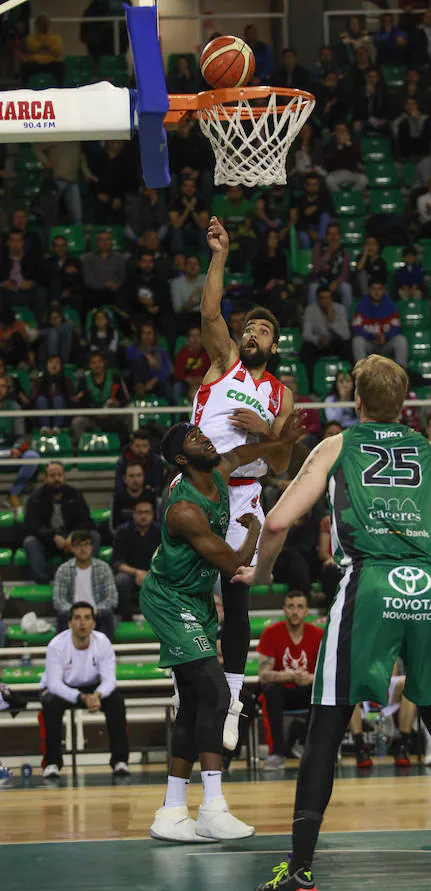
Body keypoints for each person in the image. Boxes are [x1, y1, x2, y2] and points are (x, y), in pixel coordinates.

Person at [234, 355, 431, 891]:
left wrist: (260, 571)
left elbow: (281, 520)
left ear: (357, 402)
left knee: (327, 726)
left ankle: (301, 872)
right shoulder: (430, 451)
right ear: (404, 406)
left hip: (373, 585)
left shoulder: (338, 446)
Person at [141, 416, 301, 842]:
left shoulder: (217, 471)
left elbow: (240, 455)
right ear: (180, 459)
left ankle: (172, 811)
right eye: (194, 437)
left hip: (191, 597)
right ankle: (213, 807)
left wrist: (278, 441)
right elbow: (233, 566)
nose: (204, 438)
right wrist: (253, 529)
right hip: (170, 599)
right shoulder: (185, 509)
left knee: (194, 702)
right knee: (215, 692)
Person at [187, 216, 295, 755]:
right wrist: (219, 256)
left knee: (238, 595)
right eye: (249, 326)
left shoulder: (282, 394)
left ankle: (233, 696)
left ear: (274, 347)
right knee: (189, 591)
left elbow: (281, 462)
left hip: (245, 497)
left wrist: (265, 433)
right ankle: (195, 686)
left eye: (263, 330)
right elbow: (210, 312)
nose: (252, 333)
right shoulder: (223, 361)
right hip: (200, 489)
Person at [40, 601, 129, 779]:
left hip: (93, 687)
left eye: (87, 618)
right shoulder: (56, 645)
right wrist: (81, 697)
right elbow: (55, 684)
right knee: (50, 704)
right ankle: (52, 763)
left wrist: (97, 695)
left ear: (93, 623)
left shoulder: (102, 642)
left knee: (116, 701)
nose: (82, 623)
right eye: (77, 618)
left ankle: (120, 762)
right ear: (69, 623)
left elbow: (110, 679)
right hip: (64, 688)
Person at [258, 591, 324, 770]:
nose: (295, 611)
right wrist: (290, 676)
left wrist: (310, 678)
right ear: (284, 610)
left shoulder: (318, 634)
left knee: (320, 691)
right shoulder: (271, 632)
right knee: (271, 690)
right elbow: (263, 674)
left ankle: (310, 747)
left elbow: (326, 672)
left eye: (300, 607)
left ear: (307, 610)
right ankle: (276, 752)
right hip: (282, 692)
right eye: (291, 606)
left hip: (306, 689)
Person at [24, 462, 100, 585]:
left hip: (73, 540)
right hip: (47, 541)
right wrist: (53, 536)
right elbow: (32, 525)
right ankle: (42, 581)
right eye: (52, 475)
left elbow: (86, 520)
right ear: (45, 478)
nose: (56, 479)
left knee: (95, 536)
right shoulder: (35, 498)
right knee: (30, 542)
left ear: (64, 476)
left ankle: (87, 577)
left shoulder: (75, 494)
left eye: (59, 475)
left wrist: (75, 535)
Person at [53, 530, 118, 639]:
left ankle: (103, 654)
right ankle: (65, 655)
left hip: (97, 615)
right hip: (73, 615)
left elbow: (112, 598)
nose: (82, 549)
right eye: (78, 545)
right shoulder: (63, 570)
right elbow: (58, 600)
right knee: (62, 616)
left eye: (86, 544)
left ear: (92, 547)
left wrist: (92, 612)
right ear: (72, 548)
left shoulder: (103, 568)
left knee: (106, 614)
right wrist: (76, 613)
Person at [113, 500, 161, 622]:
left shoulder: (161, 531)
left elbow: (167, 560)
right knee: (121, 580)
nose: (143, 516)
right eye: (140, 512)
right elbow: (117, 563)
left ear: (153, 514)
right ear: (134, 515)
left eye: (147, 512)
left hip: (155, 572)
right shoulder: (122, 531)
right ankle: (126, 619)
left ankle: (162, 620)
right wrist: (137, 573)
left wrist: (150, 573)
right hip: (131, 573)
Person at [71, 351, 130, 445]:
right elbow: (80, 403)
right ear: (89, 365)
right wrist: (95, 412)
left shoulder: (115, 376)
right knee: (77, 422)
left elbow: (126, 399)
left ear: (104, 363)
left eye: (99, 362)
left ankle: (127, 446)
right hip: (92, 417)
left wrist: (117, 403)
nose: (97, 365)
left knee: (129, 415)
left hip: (112, 415)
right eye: (93, 363)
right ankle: (84, 448)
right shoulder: (84, 380)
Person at [0, 374, 39, 511]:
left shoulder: (14, 406)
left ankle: (13, 494)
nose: (0, 389)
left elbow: (21, 436)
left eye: (3, 386)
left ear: (7, 389)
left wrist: (17, 448)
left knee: (32, 457)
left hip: (11, 453)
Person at [300, 287, 352, 388]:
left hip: (335, 343)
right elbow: (306, 334)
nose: (326, 301)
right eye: (323, 298)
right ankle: (310, 387)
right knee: (306, 349)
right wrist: (318, 339)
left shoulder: (340, 309)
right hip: (318, 344)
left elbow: (346, 334)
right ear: (318, 299)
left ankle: (349, 384)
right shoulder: (310, 310)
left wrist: (332, 321)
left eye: (328, 298)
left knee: (348, 347)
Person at [352, 279, 408, 367]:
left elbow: (397, 327)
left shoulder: (390, 304)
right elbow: (356, 327)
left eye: (379, 289)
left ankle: (401, 372)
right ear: (369, 290)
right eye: (374, 289)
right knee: (357, 341)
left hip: (385, 343)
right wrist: (372, 336)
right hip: (370, 343)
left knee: (400, 340)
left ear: (383, 290)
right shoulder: (362, 304)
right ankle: (361, 371)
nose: (377, 292)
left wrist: (385, 336)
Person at [111, 461, 158, 531]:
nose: (135, 480)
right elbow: (114, 526)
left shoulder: (151, 496)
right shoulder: (118, 498)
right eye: (131, 476)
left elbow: (157, 523)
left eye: (139, 475)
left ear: (143, 477)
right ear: (124, 478)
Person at [114, 429, 164, 494]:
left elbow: (158, 486)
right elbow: (118, 487)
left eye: (144, 446)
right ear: (131, 446)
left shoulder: (156, 461)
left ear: (149, 446)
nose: (141, 450)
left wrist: (151, 490)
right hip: (127, 497)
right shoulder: (122, 462)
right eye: (137, 446)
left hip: (150, 497)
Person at [173, 324, 210, 403]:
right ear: (187, 339)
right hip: (186, 383)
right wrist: (188, 380)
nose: (195, 339)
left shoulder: (208, 353)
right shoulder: (182, 353)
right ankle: (177, 413)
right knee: (177, 387)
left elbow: (212, 371)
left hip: (204, 382)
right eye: (192, 336)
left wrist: (202, 380)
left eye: (198, 336)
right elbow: (177, 373)